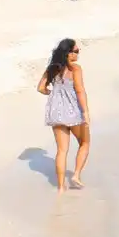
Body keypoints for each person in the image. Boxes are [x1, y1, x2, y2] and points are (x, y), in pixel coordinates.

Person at [37, 38, 91, 193]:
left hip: (56, 113)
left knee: (62, 150)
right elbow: (80, 90)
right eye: (76, 51)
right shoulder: (75, 69)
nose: (78, 54)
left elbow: (40, 88)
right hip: (73, 112)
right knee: (85, 143)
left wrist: (52, 93)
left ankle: (61, 188)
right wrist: (86, 112)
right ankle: (76, 175)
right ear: (68, 53)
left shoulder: (52, 68)